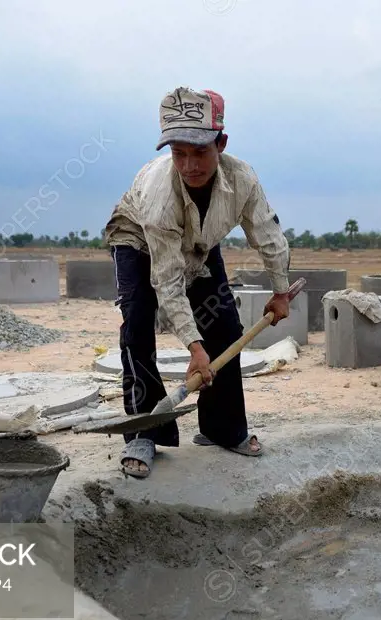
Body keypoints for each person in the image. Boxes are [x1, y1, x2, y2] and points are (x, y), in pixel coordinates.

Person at [102, 86, 291, 479]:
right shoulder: (159, 196)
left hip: (199, 242)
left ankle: (222, 429)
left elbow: (268, 236)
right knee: (137, 323)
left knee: (224, 326)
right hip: (138, 237)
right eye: (178, 153)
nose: (189, 165)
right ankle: (144, 432)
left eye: (200, 152)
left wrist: (280, 291)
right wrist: (193, 346)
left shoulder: (242, 180)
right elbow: (167, 280)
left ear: (220, 144)